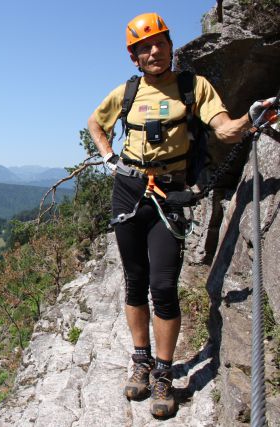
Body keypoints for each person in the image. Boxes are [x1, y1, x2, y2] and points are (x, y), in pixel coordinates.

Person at [87, 12, 277, 418]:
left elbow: (223, 128)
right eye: (144, 47)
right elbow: (95, 123)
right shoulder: (128, 92)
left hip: (170, 193)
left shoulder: (194, 87)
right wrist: (108, 157)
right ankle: (141, 361)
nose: (153, 51)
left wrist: (248, 120)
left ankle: (163, 373)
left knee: (163, 285)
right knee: (135, 280)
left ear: (171, 45)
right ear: (134, 57)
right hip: (129, 189)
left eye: (159, 42)